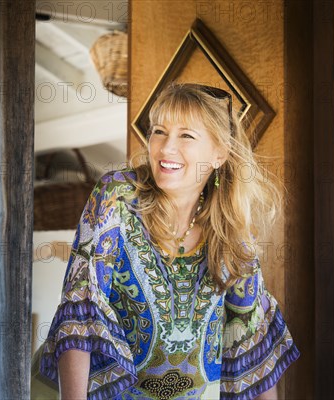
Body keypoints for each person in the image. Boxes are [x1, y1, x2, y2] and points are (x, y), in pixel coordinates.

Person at [36, 82, 300, 399]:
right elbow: (81, 308)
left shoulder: (232, 231)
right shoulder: (117, 196)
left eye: (186, 135)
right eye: (159, 131)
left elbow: (253, 342)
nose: (165, 148)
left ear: (220, 153)